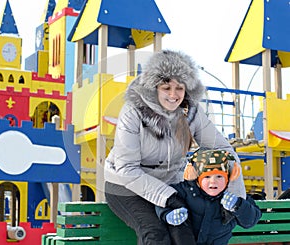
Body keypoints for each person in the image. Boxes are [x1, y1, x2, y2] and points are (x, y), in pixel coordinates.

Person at [104, 49, 246, 245]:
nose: (173, 94)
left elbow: (224, 151)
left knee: (186, 231)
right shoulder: (133, 112)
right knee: (155, 232)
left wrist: (235, 197)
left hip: (169, 183)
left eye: (179, 88)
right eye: (166, 87)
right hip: (125, 186)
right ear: (155, 87)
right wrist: (168, 197)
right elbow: (126, 169)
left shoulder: (191, 113)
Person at [155, 149, 262, 245]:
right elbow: (164, 200)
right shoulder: (185, 191)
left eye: (219, 176)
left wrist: (238, 205)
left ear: (228, 178)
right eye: (207, 177)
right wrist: (167, 215)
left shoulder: (234, 194)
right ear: (197, 178)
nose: (213, 181)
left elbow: (251, 220)